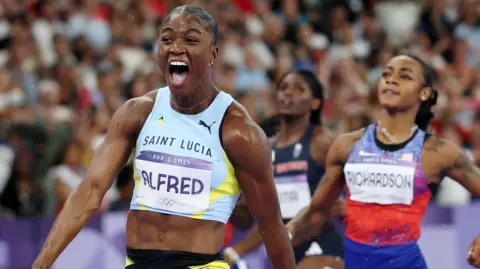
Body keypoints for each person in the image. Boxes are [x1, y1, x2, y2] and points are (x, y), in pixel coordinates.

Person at [32, 5, 296, 269]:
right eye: (167, 38)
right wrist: (41, 264)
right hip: (137, 263)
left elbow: (271, 226)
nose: (176, 47)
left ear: (213, 52)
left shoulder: (238, 131)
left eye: (191, 40)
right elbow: (89, 192)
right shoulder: (137, 113)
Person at [284, 54, 480, 269]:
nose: (390, 80)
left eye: (404, 76)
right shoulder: (346, 146)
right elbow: (317, 211)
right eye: (386, 74)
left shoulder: (437, 153)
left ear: (424, 93)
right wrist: (286, 232)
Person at [223, 70, 344, 269]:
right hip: (280, 249)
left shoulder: (322, 143)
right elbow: (259, 216)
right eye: (283, 88)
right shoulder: (264, 148)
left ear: (314, 102)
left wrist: (345, 206)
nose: (288, 93)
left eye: (299, 89)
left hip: (320, 245)